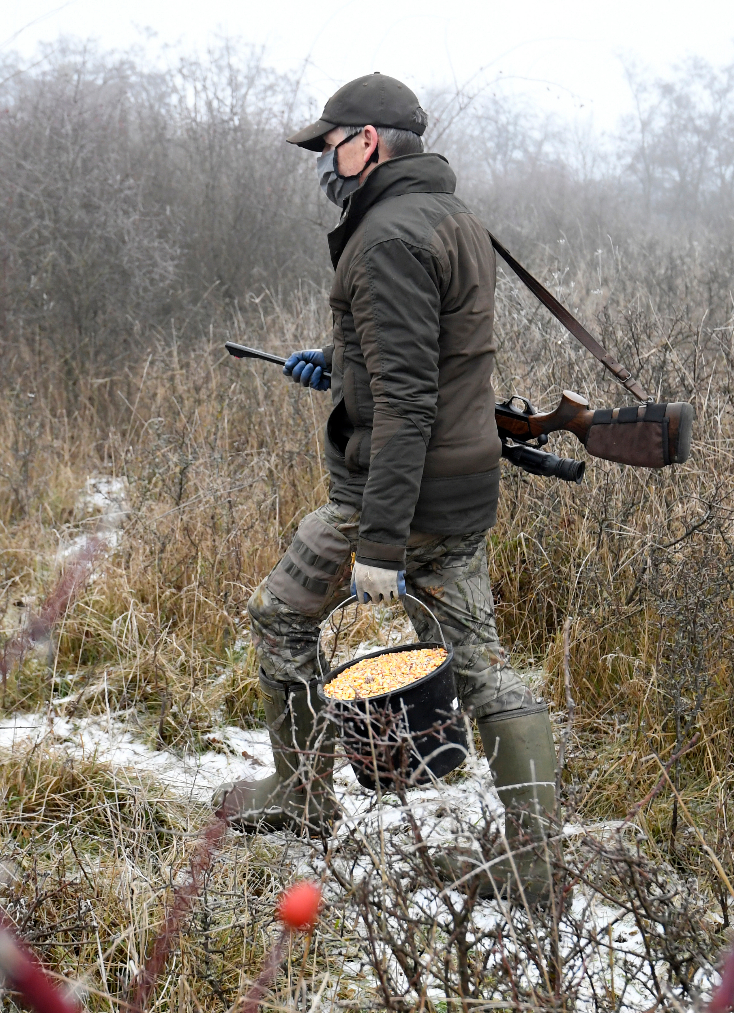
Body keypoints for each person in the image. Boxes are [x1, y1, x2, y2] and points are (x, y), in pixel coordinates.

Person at [212, 73, 561, 904]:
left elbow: (407, 401)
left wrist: (377, 544)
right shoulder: (449, 217)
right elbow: (425, 355)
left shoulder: (387, 239)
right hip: (461, 487)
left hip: (397, 498)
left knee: (278, 613)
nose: (323, 162)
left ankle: (300, 801)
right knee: (482, 667)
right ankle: (535, 864)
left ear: (367, 140)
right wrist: (335, 364)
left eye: (329, 144)